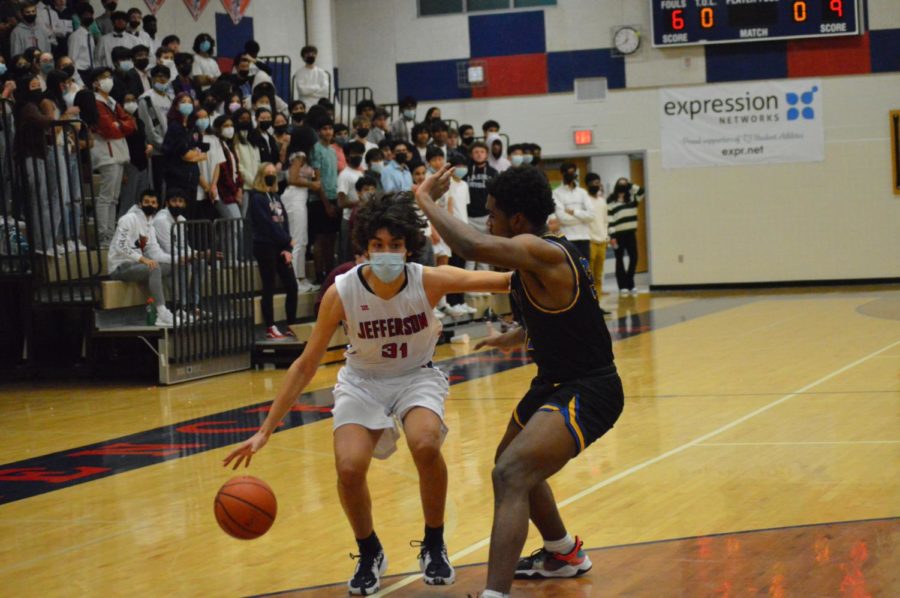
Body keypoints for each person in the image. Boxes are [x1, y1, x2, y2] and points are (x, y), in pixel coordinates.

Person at [223, 192, 513, 595]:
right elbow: (306, 364)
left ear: (408, 246)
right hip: (362, 380)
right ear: (364, 247)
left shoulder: (429, 279)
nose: (387, 253)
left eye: (395, 245)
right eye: (377, 246)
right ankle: (369, 550)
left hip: (416, 375)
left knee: (425, 443)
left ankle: (433, 542)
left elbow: (506, 280)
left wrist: (558, 262)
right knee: (349, 467)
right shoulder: (341, 292)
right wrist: (265, 429)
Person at [415, 165, 624, 598]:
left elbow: (469, 244)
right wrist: (513, 336)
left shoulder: (540, 249)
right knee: (511, 461)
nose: (486, 221)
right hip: (555, 381)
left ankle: (495, 594)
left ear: (515, 221)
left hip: (590, 387)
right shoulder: (534, 259)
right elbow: (560, 317)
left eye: (491, 213)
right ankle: (563, 552)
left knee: (510, 474)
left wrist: (425, 200)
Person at [108, 188, 176, 327]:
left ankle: (177, 308)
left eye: (153, 202)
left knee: (170, 267)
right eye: (146, 202)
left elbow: (154, 250)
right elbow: (121, 246)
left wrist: (177, 259)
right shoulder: (128, 219)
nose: (150, 205)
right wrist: (143, 259)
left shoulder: (149, 224)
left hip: (136, 265)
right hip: (120, 266)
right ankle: (161, 313)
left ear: (158, 206)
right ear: (140, 204)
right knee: (154, 268)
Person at [247, 162, 298, 339]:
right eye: (268, 173)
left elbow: (284, 221)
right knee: (268, 286)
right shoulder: (257, 199)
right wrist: (286, 240)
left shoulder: (276, 196)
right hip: (264, 246)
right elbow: (267, 224)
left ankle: (291, 324)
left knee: (292, 285)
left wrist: (287, 247)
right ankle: (270, 326)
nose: (271, 175)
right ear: (261, 175)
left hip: (280, 247)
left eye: (273, 173)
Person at [90, 65, 136, 247]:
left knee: (114, 198)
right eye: (103, 77)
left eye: (110, 76)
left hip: (118, 152)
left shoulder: (112, 101)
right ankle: (103, 235)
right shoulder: (96, 102)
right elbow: (108, 129)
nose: (108, 80)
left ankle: (110, 233)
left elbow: (130, 123)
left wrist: (120, 125)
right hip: (106, 153)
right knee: (106, 197)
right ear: (95, 83)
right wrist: (119, 125)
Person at [281, 142, 319, 293]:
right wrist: (312, 184)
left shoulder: (307, 157)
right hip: (294, 197)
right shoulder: (299, 156)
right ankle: (294, 279)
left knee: (302, 240)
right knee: (296, 239)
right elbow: (292, 178)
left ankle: (301, 277)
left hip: (301, 198)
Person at [309, 117, 340, 283]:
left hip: (333, 197)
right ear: (319, 131)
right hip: (319, 199)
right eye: (325, 128)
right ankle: (318, 274)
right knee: (320, 238)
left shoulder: (333, 150)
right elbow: (317, 179)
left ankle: (330, 272)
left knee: (331, 238)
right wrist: (326, 204)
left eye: (330, 128)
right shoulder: (316, 149)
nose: (328, 131)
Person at [161, 92, 205, 210]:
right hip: (177, 178)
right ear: (176, 106)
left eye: (189, 102)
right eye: (183, 102)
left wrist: (196, 155)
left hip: (191, 178)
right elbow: (186, 155)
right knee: (178, 214)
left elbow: (199, 152)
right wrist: (198, 155)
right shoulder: (175, 127)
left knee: (190, 215)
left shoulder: (191, 127)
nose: (187, 104)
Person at [607, 177, 645, 296]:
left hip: (630, 233)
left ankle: (630, 282)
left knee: (634, 257)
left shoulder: (633, 200)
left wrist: (629, 184)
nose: (623, 185)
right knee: (619, 259)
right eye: (621, 183)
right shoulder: (611, 202)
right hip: (618, 234)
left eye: (625, 183)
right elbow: (610, 220)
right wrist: (612, 236)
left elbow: (641, 191)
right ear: (616, 185)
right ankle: (622, 285)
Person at [463, 141, 497, 274]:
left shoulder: (493, 172)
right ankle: (468, 289)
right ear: (471, 155)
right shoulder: (465, 172)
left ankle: (484, 287)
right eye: (476, 152)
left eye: (482, 152)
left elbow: (496, 196)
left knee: (484, 252)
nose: (479, 154)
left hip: (486, 217)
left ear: (487, 155)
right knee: (470, 254)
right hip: (469, 217)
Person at [137, 64, 172, 194]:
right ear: (152, 79)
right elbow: (148, 129)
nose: (162, 80)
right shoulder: (146, 99)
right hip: (157, 152)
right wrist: (164, 146)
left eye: (165, 77)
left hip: (170, 151)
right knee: (158, 188)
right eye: (159, 77)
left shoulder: (169, 99)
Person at [551, 162, 593, 260]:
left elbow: (591, 216)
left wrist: (574, 212)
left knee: (586, 271)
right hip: (567, 238)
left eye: (573, 172)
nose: (571, 175)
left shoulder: (582, 192)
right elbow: (562, 218)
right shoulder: (556, 193)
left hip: (584, 237)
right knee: (571, 270)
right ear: (562, 174)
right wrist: (583, 218)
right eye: (568, 172)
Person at [118, 91, 151, 217]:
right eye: (127, 100)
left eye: (133, 100)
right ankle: (123, 233)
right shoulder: (120, 122)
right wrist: (123, 170)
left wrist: (148, 147)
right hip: (129, 165)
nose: (131, 103)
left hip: (143, 165)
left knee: (142, 202)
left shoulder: (140, 122)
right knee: (127, 202)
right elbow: (120, 145)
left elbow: (143, 140)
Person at [337, 141, 366, 262]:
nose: (358, 156)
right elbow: (341, 202)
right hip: (349, 219)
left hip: (361, 218)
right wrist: (359, 202)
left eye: (360, 153)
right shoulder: (345, 175)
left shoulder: (360, 173)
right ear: (347, 156)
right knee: (347, 253)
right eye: (355, 153)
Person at [213, 114, 243, 220]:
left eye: (231, 125)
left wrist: (239, 187)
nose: (230, 128)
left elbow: (236, 170)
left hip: (233, 191)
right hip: (223, 193)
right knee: (234, 223)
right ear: (218, 128)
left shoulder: (229, 146)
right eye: (226, 126)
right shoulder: (217, 144)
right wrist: (235, 191)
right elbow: (223, 172)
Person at [585, 172, 609, 306]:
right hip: (590, 241)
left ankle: (597, 305)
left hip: (602, 241)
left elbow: (605, 221)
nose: (596, 185)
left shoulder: (602, 201)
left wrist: (606, 237)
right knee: (589, 276)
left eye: (597, 182)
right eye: (593, 183)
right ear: (587, 185)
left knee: (599, 275)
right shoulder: (585, 200)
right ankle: (590, 305)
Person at [292, 45, 329, 112]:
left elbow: (325, 90)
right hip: (306, 105)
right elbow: (302, 90)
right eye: (308, 54)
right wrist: (317, 87)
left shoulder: (322, 72)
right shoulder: (299, 72)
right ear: (303, 57)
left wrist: (309, 91)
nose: (311, 56)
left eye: (313, 54)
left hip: (320, 104)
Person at [68, 2, 97, 81]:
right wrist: (76, 79)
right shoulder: (75, 36)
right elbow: (72, 60)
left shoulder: (90, 36)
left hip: (91, 72)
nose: (89, 17)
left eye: (91, 15)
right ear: (80, 17)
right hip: (80, 73)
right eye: (86, 15)